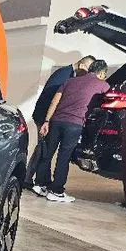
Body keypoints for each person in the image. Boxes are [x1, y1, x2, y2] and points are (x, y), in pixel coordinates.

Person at [32, 59, 110, 203]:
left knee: (48, 153)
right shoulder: (102, 85)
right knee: (64, 157)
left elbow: (55, 101)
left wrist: (47, 121)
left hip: (55, 121)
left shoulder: (70, 81)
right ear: (101, 73)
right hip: (74, 124)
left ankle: (40, 184)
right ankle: (56, 191)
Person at [27, 55, 96, 184]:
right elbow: (50, 97)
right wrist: (47, 120)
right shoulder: (64, 74)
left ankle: (38, 179)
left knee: (45, 149)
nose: (87, 75)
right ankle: (31, 179)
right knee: (44, 149)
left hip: (48, 117)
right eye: (87, 70)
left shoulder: (68, 74)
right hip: (44, 116)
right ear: (81, 65)